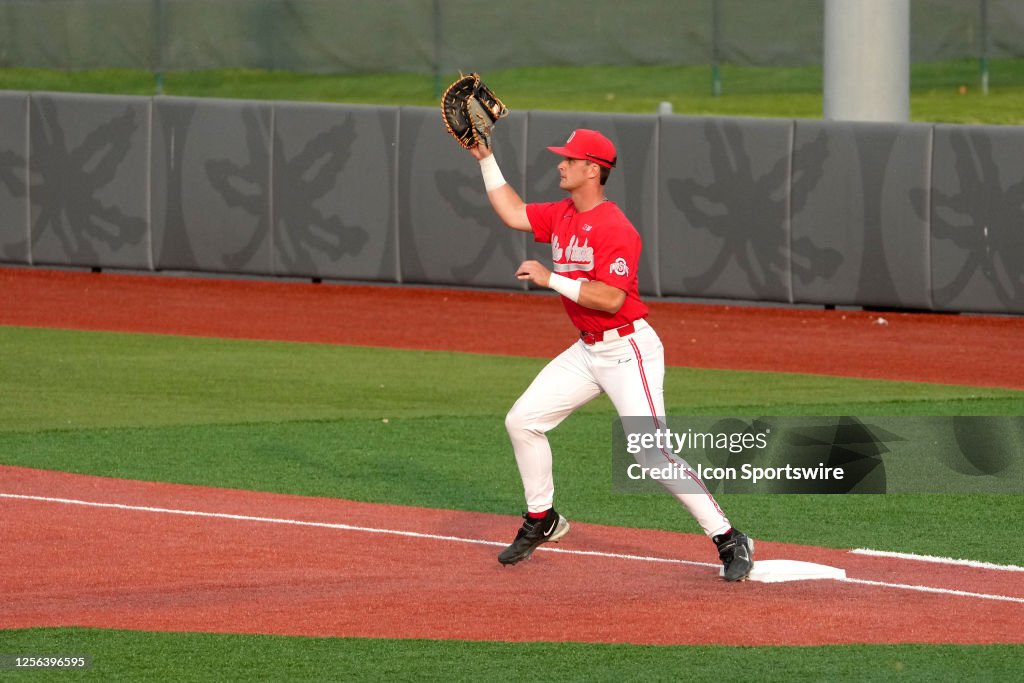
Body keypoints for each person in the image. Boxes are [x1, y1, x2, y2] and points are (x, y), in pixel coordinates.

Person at [468, 129, 754, 581]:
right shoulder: (562, 213)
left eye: (569, 159)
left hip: (628, 350)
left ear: (592, 170)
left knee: (652, 456)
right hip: (587, 350)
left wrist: (551, 279)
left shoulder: (615, 227)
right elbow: (513, 212)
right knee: (522, 421)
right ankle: (543, 518)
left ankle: (729, 537)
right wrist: (486, 157)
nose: (560, 165)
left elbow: (611, 300)